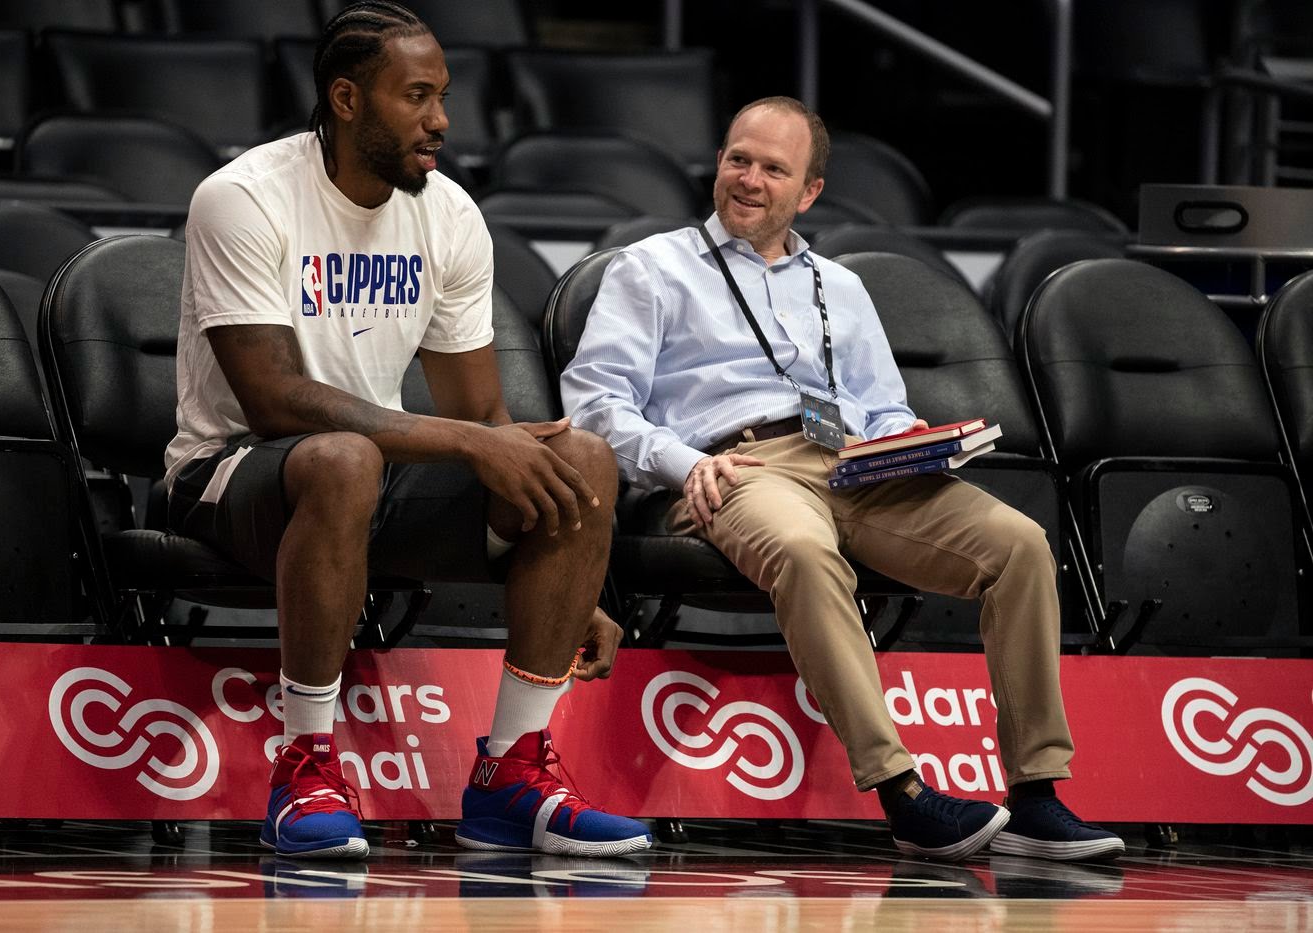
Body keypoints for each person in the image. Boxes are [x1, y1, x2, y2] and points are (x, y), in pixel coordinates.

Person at [562, 96, 1124, 863]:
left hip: (856, 468)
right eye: (738, 159)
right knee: (800, 547)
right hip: (735, 464)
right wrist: (683, 461)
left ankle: (1035, 793)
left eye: (773, 168)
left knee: (1019, 543)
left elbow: (883, 406)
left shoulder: (840, 285)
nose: (749, 179)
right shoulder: (653, 268)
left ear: (810, 191)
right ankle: (902, 792)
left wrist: (913, 447)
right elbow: (595, 404)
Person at [165, 1, 650, 860]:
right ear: (347, 100)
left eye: (443, 96)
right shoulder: (241, 198)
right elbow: (272, 397)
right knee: (344, 459)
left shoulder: (449, 212)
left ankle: (513, 773)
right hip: (231, 473)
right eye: (417, 97)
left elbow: (482, 417)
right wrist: (467, 443)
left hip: (372, 474)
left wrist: (584, 581)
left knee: (578, 457)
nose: (441, 121)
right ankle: (305, 762)